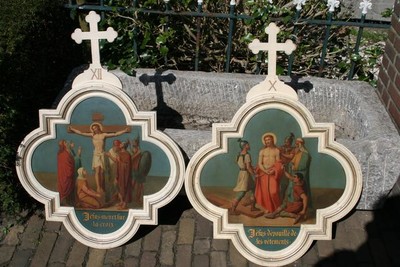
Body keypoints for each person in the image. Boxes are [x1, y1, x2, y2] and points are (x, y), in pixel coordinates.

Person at [69, 122, 129, 194]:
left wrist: (124, 131)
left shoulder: (104, 135)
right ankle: (98, 187)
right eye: (93, 129)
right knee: (97, 171)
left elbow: (115, 134)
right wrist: (72, 129)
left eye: (95, 128)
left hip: (102, 154)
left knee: (102, 171)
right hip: (96, 155)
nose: (94, 130)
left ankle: (102, 188)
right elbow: (81, 133)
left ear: (99, 127)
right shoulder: (92, 135)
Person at [255, 133, 283, 213]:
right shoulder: (262, 151)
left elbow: (278, 163)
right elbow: (260, 163)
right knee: (265, 192)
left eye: (269, 139)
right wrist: (264, 170)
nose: (267, 141)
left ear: (273, 140)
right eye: (266, 140)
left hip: (272, 173)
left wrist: (273, 170)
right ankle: (268, 209)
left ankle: (277, 208)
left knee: (273, 192)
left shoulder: (277, 151)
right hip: (263, 173)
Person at [229, 139, 259, 215]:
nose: (249, 146)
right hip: (246, 174)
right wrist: (254, 174)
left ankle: (252, 207)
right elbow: (248, 167)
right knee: (242, 192)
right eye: (248, 145)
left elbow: (242, 164)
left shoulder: (239, 154)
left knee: (253, 189)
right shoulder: (247, 155)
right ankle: (233, 210)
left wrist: (253, 167)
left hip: (241, 173)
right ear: (245, 146)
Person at [289, 137, 312, 208]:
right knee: (293, 189)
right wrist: (291, 165)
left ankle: (303, 207)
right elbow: (292, 162)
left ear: (301, 144)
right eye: (295, 143)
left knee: (302, 189)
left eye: (297, 143)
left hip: (302, 175)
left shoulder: (305, 154)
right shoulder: (297, 153)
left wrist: (294, 167)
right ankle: (294, 205)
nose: (296, 145)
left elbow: (303, 165)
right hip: (295, 174)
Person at [131, 137, 151, 205]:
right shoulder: (134, 149)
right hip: (135, 169)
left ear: (137, 143)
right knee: (134, 184)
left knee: (139, 185)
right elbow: (131, 159)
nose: (133, 143)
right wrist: (137, 153)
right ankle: (134, 198)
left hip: (139, 169)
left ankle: (137, 198)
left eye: (134, 142)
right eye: (133, 142)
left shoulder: (137, 149)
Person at [57, 139, 75, 206]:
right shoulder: (63, 154)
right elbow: (66, 164)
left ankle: (68, 201)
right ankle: (64, 201)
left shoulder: (66, 153)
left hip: (66, 174)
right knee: (65, 186)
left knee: (69, 187)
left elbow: (70, 161)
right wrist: (70, 170)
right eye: (65, 142)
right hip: (65, 174)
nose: (66, 143)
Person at [115, 141, 132, 210]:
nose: (120, 144)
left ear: (124, 146)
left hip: (125, 175)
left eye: (121, 143)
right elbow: (117, 165)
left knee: (125, 187)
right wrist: (116, 175)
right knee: (119, 187)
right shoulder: (119, 153)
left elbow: (127, 166)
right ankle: (122, 201)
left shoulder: (127, 154)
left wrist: (119, 161)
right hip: (120, 173)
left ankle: (125, 204)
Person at [278, 133, 296, 200]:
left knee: (287, 185)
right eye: (285, 141)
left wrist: (282, 153)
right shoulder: (281, 147)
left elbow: (291, 156)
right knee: (280, 185)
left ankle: (285, 201)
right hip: (281, 166)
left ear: (290, 142)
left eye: (287, 142)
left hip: (289, 167)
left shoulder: (293, 149)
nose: (286, 143)